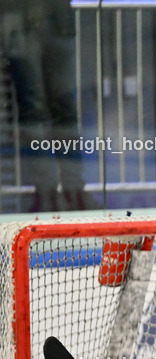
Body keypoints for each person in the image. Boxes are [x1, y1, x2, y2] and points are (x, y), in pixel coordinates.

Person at [0, 0, 94, 211]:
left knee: (63, 108)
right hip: (20, 21)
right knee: (34, 109)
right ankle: (46, 192)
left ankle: (72, 190)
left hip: (55, 20)